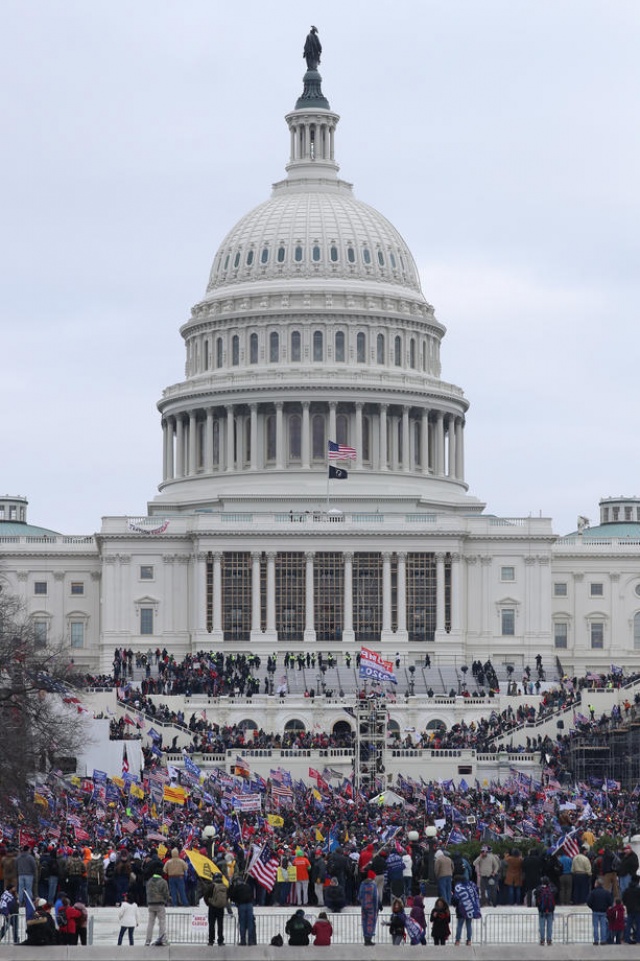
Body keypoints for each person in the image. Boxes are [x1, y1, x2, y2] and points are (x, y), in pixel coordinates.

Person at [451, 876, 481, 946]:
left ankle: (457, 941)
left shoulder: (458, 888)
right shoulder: (471, 886)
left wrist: (454, 904)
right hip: (469, 909)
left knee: (459, 925)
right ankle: (469, 940)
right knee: (468, 925)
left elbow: (455, 899)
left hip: (461, 910)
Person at [144, 868, 170, 946]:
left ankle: (148, 940)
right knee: (162, 922)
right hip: (160, 904)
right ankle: (162, 939)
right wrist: (168, 899)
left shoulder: (149, 881)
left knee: (150, 923)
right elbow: (166, 893)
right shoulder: (163, 882)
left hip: (151, 904)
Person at [228, 873, 256, 946]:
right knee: (250, 924)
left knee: (242, 924)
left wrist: (231, 886)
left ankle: (243, 941)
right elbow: (252, 895)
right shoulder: (248, 886)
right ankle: (250, 941)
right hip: (250, 905)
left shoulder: (236, 888)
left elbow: (231, 896)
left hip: (241, 906)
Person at [202, 874, 228, 946]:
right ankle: (220, 940)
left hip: (212, 908)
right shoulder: (224, 886)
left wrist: (209, 903)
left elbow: (206, 896)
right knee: (220, 925)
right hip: (221, 908)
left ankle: (211, 940)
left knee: (211, 925)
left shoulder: (211, 886)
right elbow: (227, 896)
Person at [587, 877, 613, 945]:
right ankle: (603, 940)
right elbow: (610, 902)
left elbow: (589, 902)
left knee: (595, 927)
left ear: (597, 884)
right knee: (603, 926)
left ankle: (596, 940)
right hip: (603, 911)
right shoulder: (606, 893)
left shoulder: (593, 892)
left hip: (595, 911)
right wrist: (606, 907)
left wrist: (592, 907)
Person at [358, 869, 379, 946]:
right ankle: (369, 939)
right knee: (370, 923)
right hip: (372, 907)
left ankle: (365, 939)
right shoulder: (373, 885)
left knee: (364, 922)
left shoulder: (362, 884)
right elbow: (375, 897)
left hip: (364, 906)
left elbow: (359, 896)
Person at [535, 875, 556, 946]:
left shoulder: (539, 889)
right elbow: (556, 892)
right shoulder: (552, 889)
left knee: (541, 926)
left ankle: (542, 940)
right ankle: (549, 940)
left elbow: (535, 893)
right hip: (550, 910)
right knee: (549, 926)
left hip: (541, 910)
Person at [622, 873, 640, 944]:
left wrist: (627, 905)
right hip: (638, 910)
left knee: (629, 925)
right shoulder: (638, 890)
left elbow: (624, 899)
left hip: (629, 909)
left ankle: (627, 939)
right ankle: (638, 939)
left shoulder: (627, 890)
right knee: (639, 925)